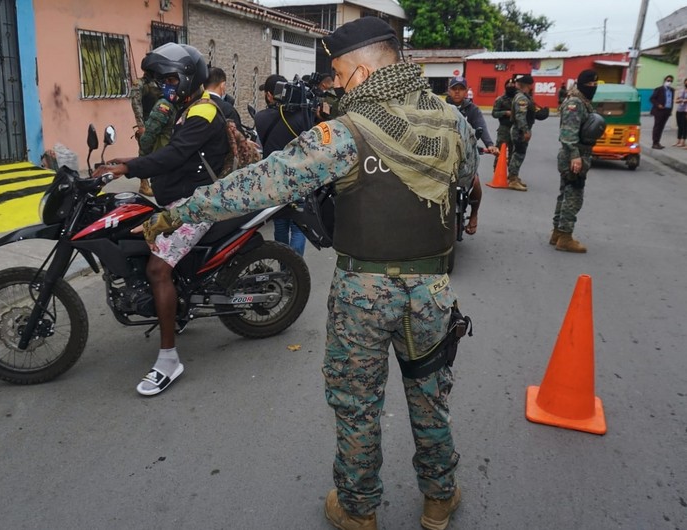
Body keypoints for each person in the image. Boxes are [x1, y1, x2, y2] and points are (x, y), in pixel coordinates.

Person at [138, 16, 478, 530]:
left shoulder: (343, 133)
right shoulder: (452, 120)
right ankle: (439, 498)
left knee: (357, 402)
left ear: (362, 75)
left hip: (362, 292)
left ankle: (359, 510)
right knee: (430, 394)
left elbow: (260, 184)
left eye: (340, 74)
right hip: (430, 290)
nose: (336, 85)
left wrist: (181, 211)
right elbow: (468, 179)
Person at [94, 42, 229, 396]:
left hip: (198, 204)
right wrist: (121, 163)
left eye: (171, 78)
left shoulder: (203, 112)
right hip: (177, 199)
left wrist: (126, 166)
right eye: (161, 79)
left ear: (189, 77)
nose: (165, 86)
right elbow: (159, 147)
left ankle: (169, 359)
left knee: (157, 269)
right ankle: (177, 307)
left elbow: (174, 155)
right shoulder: (181, 107)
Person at [254, 74, 315, 255]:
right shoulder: (302, 116)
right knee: (298, 227)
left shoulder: (260, 118)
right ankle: (295, 270)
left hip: (274, 181)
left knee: (280, 226)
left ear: (270, 95)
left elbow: (259, 147)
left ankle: (284, 268)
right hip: (299, 179)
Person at [551, 69, 600, 253]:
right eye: (590, 85)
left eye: (595, 86)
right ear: (581, 85)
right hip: (574, 155)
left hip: (575, 155)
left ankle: (557, 232)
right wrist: (575, 156)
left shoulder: (580, 101)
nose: (593, 88)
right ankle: (565, 237)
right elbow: (568, 133)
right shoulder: (575, 103)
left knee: (565, 194)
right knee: (573, 196)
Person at [446, 76, 495, 235]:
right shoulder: (440, 106)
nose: (457, 92)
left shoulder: (472, 109)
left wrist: (490, 145)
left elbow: (481, 127)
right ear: (449, 90)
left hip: (466, 156)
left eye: (461, 89)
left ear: (466, 91)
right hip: (444, 155)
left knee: (476, 182)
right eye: (454, 88)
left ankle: (474, 215)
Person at [507, 74, 536, 191]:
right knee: (518, 154)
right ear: (528, 85)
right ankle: (513, 180)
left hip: (519, 129)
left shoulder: (523, 96)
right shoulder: (522, 98)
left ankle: (514, 176)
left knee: (517, 153)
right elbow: (520, 116)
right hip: (519, 130)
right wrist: (525, 131)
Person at [492, 77, 517, 164]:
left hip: (517, 128)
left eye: (512, 85)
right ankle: (497, 171)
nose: (511, 86)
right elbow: (494, 113)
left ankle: (512, 174)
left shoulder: (519, 99)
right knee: (499, 150)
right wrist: (505, 113)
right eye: (509, 85)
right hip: (504, 128)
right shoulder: (500, 99)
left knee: (513, 152)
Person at [650, 75, 675, 149]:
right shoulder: (659, 89)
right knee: (657, 127)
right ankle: (655, 143)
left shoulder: (672, 90)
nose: (669, 82)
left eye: (670, 81)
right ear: (664, 80)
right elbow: (652, 99)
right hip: (659, 111)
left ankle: (658, 142)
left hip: (667, 111)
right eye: (668, 80)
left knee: (661, 127)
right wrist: (658, 105)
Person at [673, 78, 687, 148]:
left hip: (685, 111)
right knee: (680, 126)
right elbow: (676, 100)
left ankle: (683, 142)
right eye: (685, 82)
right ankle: (678, 141)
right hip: (679, 110)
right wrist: (679, 100)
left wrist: (685, 100)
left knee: (685, 126)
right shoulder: (682, 90)